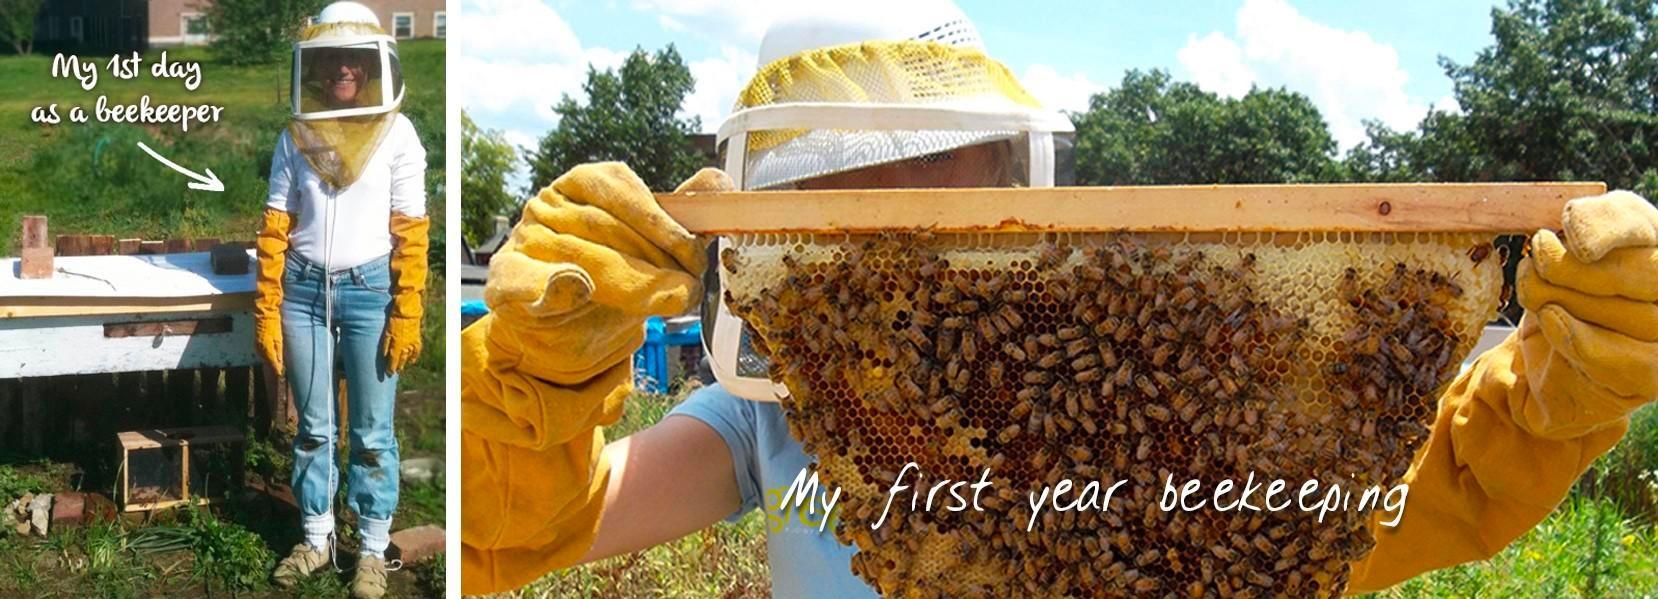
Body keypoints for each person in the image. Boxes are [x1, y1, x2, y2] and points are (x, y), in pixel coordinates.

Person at [459, 1, 1658, 595]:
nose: (916, 248)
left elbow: (1387, 494)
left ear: (1007, 181)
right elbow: (512, 530)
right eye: (859, 208)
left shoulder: (1179, 427)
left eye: (946, 194)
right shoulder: (772, 417)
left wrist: (1565, 380)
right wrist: (539, 375)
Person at [252, 3, 429, 598]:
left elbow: (411, 228)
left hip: (370, 292)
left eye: (354, 60)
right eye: (332, 62)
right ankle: (316, 536)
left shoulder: (398, 133)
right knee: (314, 428)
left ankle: (373, 552)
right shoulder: (295, 134)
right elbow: (276, 224)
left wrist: (407, 307)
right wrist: (267, 303)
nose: (343, 72)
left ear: (373, 64)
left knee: (374, 434)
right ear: (316, 68)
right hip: (301, 291)